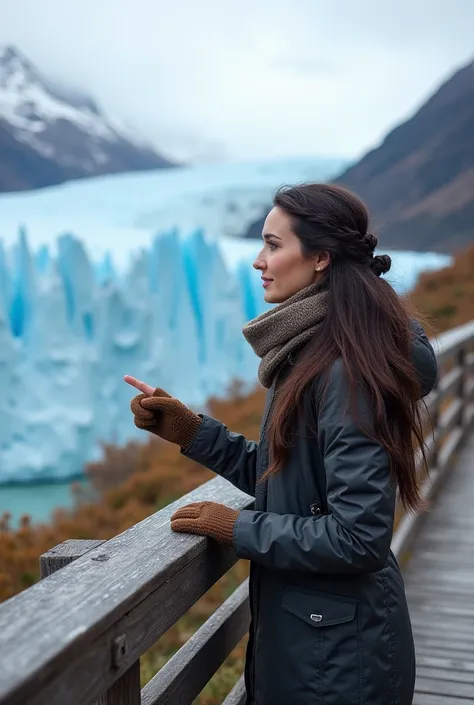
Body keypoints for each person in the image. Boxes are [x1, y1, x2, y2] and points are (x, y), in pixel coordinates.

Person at [125, 183, 438, 705]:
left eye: (273, 244)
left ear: (319, 258)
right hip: (318, 643)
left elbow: (360, 536)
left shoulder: (345, 369)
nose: (257, 261)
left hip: (338, 662)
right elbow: (290, 480)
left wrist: (238, 527)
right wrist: (191, 432)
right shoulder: (315, 349)